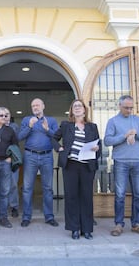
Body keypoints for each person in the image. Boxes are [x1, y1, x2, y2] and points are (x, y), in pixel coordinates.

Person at [52, 99, 101, 240]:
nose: (78, 108)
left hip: (87, 166)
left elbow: (98, 145)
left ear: (85, 110)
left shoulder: (92, 127)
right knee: (72, 197)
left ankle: (87, 229)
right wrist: (59, 148)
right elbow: (54, 139)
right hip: (71, 165)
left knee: (86, 197)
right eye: (75, 106)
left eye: (80, 106)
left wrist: (97, 148)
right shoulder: (66, 125)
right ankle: (74, 228)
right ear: (72, 110)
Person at [104, 95, 139, 237]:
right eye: (126, 107)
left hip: (137, 161)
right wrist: (124, 135)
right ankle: (118, 224)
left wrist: (136, 133)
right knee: (119, 194)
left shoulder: (137, 120)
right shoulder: (113, 121)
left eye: (131, 107)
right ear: (119, 106)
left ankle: (136, 223)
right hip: (121, 161)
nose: (129, 110)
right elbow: (107, 140)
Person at [19, 98, 59, 228]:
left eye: (37, 105)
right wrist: (29, 126)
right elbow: (19, 137)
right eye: (33, 106)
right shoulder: (26, 120)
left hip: (47, 156)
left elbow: (57, 137)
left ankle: (49, 217)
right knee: (27, 188)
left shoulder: (51, 121)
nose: (35, 107)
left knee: (47, 188)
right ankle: (26, 217)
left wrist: (47, 129)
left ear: (43, 106)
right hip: (30, 155)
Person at [0, 109, 20, 218]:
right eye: (3, 115)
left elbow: (16, 141)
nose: (5, 117)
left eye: (7, 115)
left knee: (13, 184)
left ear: (10, 116)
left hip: (12, 160)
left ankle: (14, 206)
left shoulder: (14, 127)